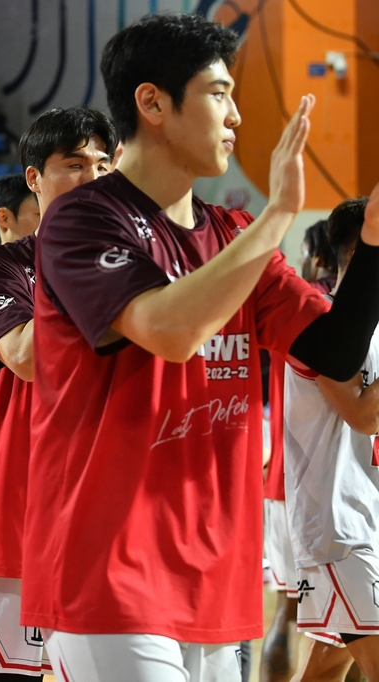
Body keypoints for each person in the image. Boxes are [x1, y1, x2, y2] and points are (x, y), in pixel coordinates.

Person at [23, 12, 379, 681]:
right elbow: (169, 332)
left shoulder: (235, 232)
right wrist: (277, 217)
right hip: (107, 574)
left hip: (216, 578)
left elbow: (335, 352)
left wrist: (378, 246)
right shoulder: (81, 217)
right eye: (219, 94)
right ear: (152, 102)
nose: (237, 116)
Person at [0, 108, 116, 682]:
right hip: (21, 512)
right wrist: (71, 255)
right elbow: (25, 358)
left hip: (109, 516)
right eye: (74, 165)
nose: (92, 178)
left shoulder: (135, 263)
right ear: (34, 178)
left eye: (102, 164)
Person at [284, 197, 379, 681]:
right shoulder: (320, 321)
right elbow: (364, 414)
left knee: (323, 672)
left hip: (370, 522)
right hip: (341, 531)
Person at [260, 219, 342, 682]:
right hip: (331, 484)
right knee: (337, 627)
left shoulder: (290, 306)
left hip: (286, 483)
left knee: (290, 613)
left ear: (319, 257)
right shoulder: (336, 315)